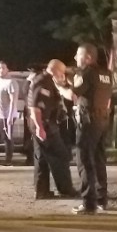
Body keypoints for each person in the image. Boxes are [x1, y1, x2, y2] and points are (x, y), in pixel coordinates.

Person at [57, 43, 113, 215]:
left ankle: (89, 203)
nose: (75, 58)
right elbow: (94, 91)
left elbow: (72, 95)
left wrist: (59, 86)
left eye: (78, 55)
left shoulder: (87, 73)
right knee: (99, 159)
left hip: (88, 122)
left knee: (84, 160)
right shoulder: (106, 74)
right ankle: (101, 199)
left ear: (88, 57)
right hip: (102, 119)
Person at [28, 59, 77, 200]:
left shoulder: (47, 81)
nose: (63, 76)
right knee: (61, 156)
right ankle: (66, 189)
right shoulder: (43, 82)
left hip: (43, 125)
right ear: (55, 70)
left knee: (42, 158)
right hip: (45, 125)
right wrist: (40, 128)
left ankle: (41, 191)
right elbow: (35, 107)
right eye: (62, 73)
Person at [23, 63, 44, 166]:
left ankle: (35, 158)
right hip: (29, 113)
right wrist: (28, 81)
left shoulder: (40, 83)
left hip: (36, 113)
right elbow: (24, 92)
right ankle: (30, 158)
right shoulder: (30, 83)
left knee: (35, 138)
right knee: (30, 137)